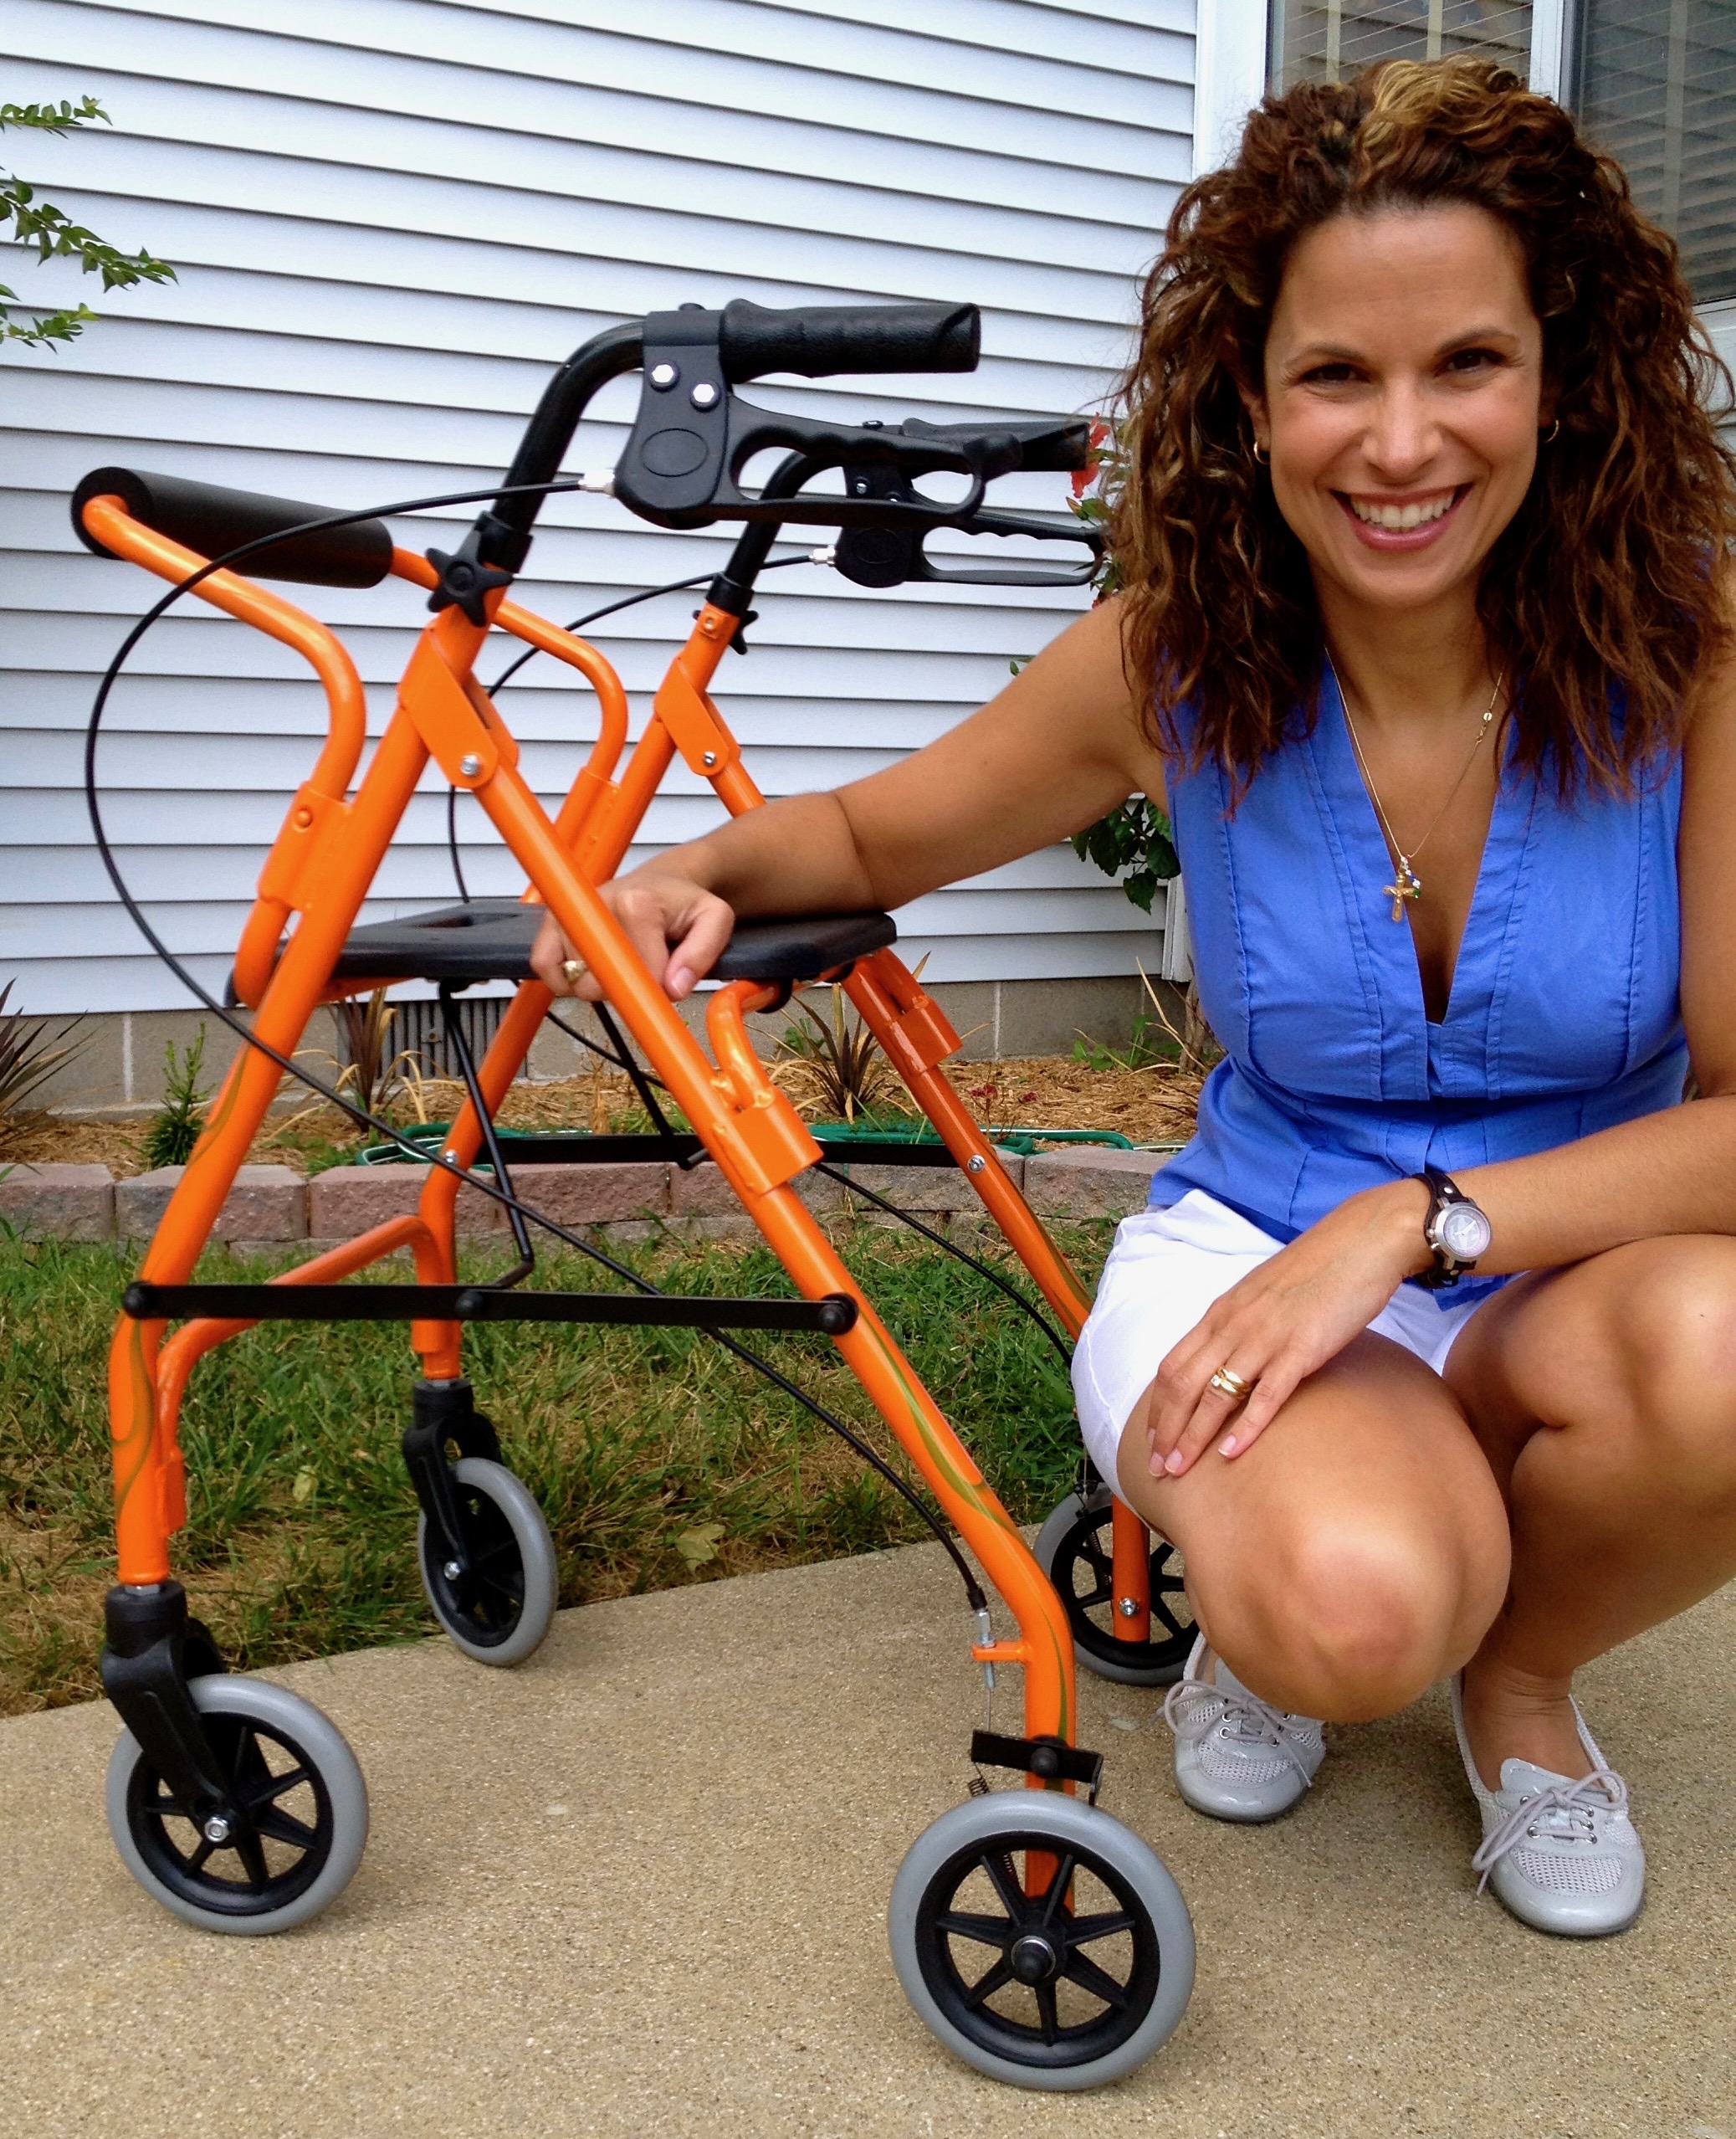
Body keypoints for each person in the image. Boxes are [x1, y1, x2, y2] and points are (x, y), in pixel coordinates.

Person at [534, 59, 1736, 1938]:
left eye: (1467, 366)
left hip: (1568, 1274)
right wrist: (690, 872)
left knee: (1728, 1352)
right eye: (1338, 373)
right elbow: (866, 836)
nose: (1401, 444)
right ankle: (1280, 1606)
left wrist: (1414, 1224)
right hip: (1254, 1260)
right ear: (1247, 403)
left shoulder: (1698, 663)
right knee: (1352, 1619)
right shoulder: (1176, 661)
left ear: (1563, 375)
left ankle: (1524, 1686)